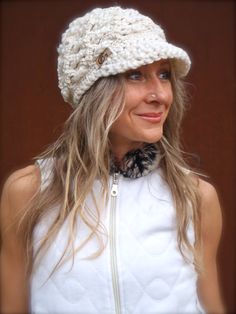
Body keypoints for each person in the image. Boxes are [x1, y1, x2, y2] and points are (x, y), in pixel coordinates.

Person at [0, 6, 225, 314]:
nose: (160, 94)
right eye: (135, 75)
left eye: (164, 74)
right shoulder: (27, 192)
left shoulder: (196, 198)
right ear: (92, 91)